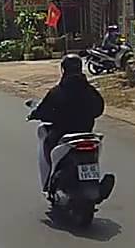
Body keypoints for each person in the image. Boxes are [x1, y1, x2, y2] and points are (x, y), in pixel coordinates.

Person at [28, 54, 105, 192]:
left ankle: (49, 181)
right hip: (86, 133)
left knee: (47, 145)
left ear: (63, 69)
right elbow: (99, 109)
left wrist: (35, 114)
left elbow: (43, 110)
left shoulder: (58, 91)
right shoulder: (90, 90)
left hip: (62, 134)